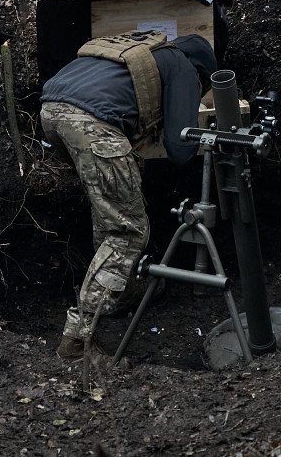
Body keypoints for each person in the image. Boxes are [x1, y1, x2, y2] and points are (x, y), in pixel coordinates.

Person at [40, 30, 217, 358]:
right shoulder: (183, 67)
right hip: (93, 125)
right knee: (127, 232)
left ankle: (121, 292)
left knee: (111, 213)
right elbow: (180, 150)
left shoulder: (141, 49)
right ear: (201, 71)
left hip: (51, 110)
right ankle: (77, 340)